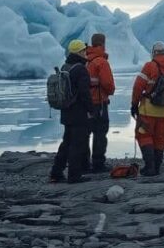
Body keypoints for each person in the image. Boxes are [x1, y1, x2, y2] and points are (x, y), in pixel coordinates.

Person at [49, 40, 94, 184]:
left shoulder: (65, 66)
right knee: (77, 145)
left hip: (66, 111)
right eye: (84, 50)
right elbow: (84, 93)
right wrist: (91, 109)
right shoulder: (80, 69)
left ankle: (56, 172)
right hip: (78, 113)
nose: (86, 53)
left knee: (66, 143)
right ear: (80, 52)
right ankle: (74, 176)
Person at [131, 41, 164, 176]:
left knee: (144, 135)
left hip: (148, 110)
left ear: (154, 53)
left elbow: (138, 86)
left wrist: (134, 104)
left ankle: (150, 166)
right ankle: (157, 167)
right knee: (160, 138)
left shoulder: (150, 66)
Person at [86, 33, 115, 172]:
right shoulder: (101, 62)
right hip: (99, 103)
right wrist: (110, 91)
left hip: (85, 103)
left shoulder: (85, 60)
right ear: (103, 44)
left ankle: (84, 163)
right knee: (100, 133)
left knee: (85, 133)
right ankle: (98, 163)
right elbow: (108, 83)